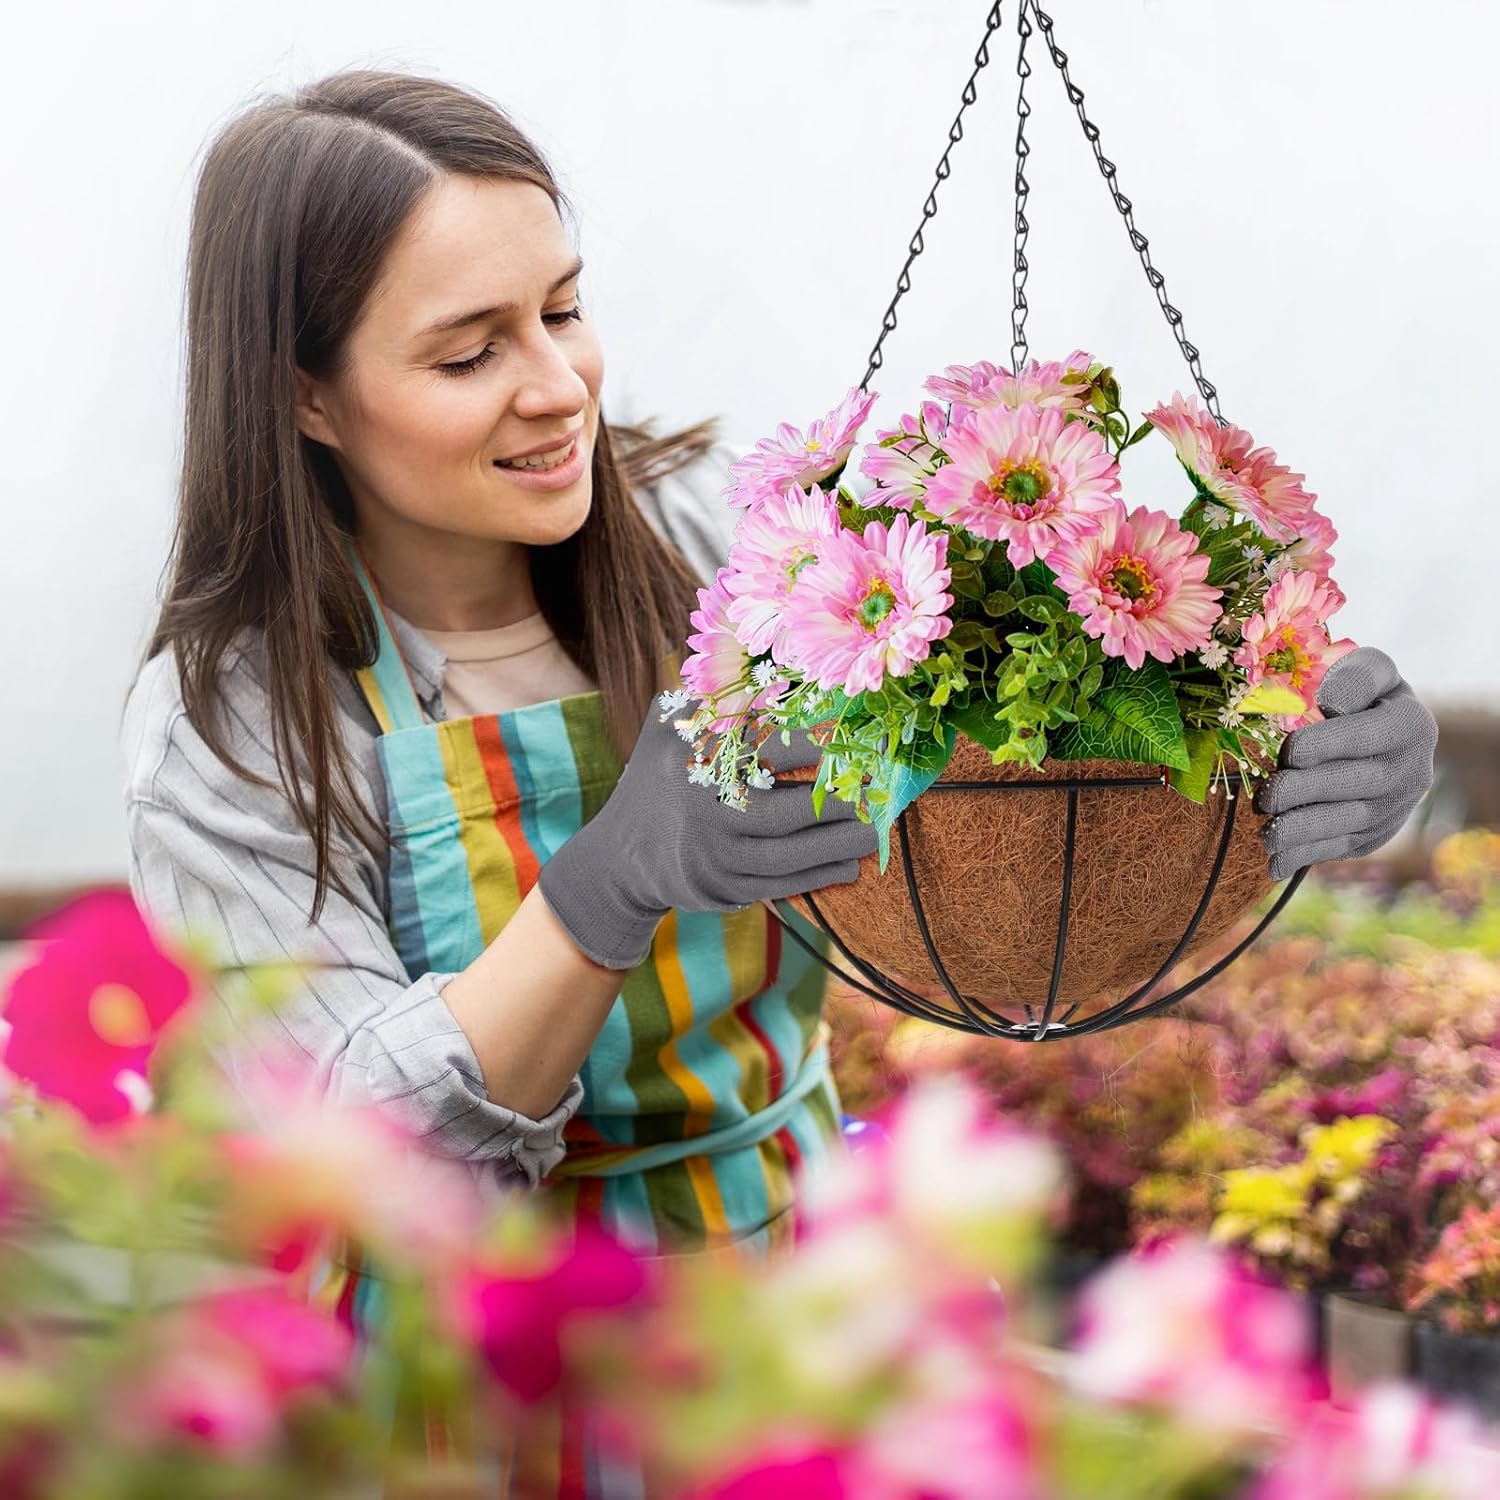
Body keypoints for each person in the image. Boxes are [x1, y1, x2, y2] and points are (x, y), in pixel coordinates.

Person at [120, 66, 1438, 1498]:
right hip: (475, 1392)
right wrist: (607, 888)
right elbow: (347, 1157)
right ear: (306, 396)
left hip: (793, 1324)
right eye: (467, 355)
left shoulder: (712, 552)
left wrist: (1297, 744)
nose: (558, 387)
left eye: (562, 310)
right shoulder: (236, 722)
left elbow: (1007, 781)